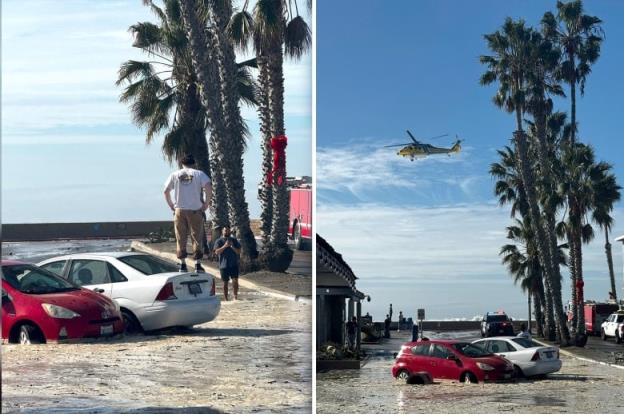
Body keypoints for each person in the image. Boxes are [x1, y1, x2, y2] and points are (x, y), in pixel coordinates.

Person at [163, 154, 212, 272]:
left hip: (179, 210)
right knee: (197, 236)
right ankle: (197, 264)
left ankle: (183, 264)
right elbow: (208, 186)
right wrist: (206, 203)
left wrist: (171, 205)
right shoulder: (199, 174)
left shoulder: (175, 174)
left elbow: (166, 191)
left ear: (182, 163)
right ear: (194, 163)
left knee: (181, 236)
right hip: (195, 210)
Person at [214, 226, 242, 301]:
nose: (227, 232)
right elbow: (217, 252)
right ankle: (226, 299)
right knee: (225, 283)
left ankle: (235, 297)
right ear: (222, 231)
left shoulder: (234, 240)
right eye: (225, 230)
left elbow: (238, 252)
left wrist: (232, 246)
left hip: (233, 264)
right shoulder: (218, 241)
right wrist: (225, 246)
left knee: (235, 281)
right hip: (224, 265)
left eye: (228, 230)